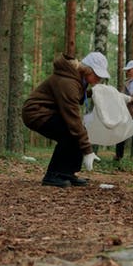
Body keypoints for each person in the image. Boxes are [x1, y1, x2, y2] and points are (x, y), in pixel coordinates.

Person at [22, 51, 110, 188]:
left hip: (47, 112)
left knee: (76, 131)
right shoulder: (68, 82)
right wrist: (88, 150)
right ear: (88, 70)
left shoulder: (77, 79)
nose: (99, 79)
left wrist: (94, 93)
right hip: (36, 113)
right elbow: (73, 117)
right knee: (71, 131)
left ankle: (67, 173)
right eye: (97, 75)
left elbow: (77, 96)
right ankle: (52, 175)